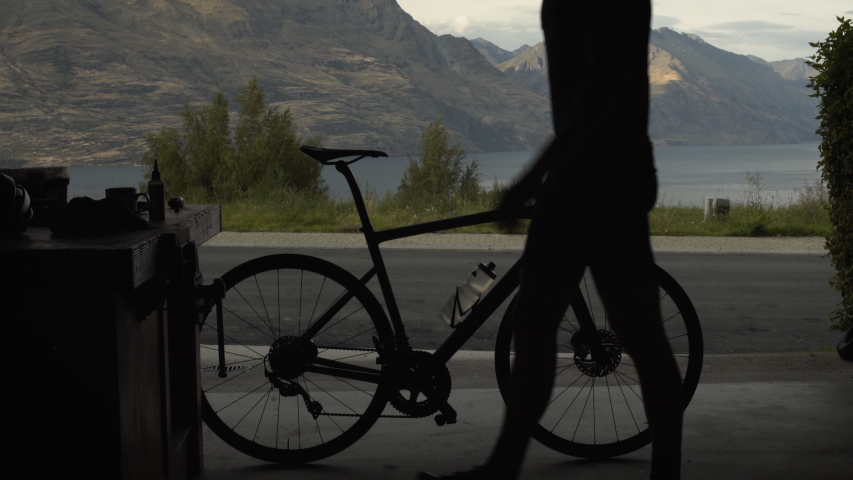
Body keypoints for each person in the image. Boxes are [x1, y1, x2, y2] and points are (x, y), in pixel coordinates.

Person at [418, 1, 684, 479]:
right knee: (538, 324)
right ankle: (502, 468)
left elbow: (601, 86)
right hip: (583, 176)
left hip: (607, 180)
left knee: (636, 333)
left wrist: (532, 176)